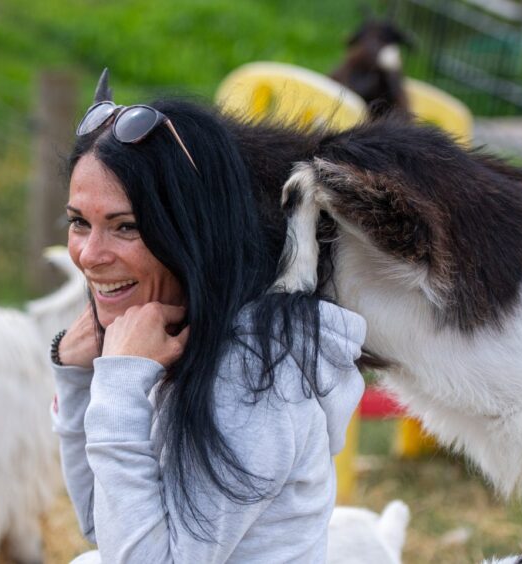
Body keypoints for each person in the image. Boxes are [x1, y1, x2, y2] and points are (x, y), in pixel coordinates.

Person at [49, 70, 366, 563]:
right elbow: (102, 526)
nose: (89, 255)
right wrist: (75, 376)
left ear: (193, 230)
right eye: (78, 223)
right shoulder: (171, 334)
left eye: (125, 226)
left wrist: (118, 386)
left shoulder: (255, 377)